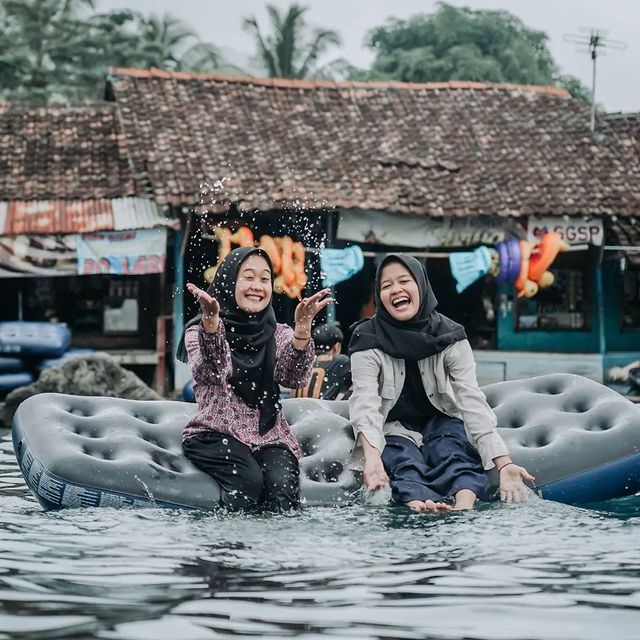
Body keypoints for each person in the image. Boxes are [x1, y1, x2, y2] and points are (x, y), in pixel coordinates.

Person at [348, 253, 534, 513]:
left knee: (455, 453)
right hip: (391, 425)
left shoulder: (450, 335)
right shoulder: (366, 338)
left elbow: (471, 400)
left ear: (422, 286)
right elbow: (365, 403)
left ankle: (464, 507)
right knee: (402, 459)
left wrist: (503, 463)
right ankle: (418, 505)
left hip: (442, 418)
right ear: (379, 296)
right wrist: (371, 458)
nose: (396, 290)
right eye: (386, 285)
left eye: (404, 281)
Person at [176, 246, 333, 511]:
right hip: (215, 435)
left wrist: (303, 332)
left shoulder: (278, 332)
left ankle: (273, 552)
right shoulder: (199, 331)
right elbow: (213, 374)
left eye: (264, 279)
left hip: (269, 436)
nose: (257, 286)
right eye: (248, 277)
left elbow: (293, 378)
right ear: (229, 281)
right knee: (248, 482)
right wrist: (212, 326)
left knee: (282, 489)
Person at [291, 323, 352, 400]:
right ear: (336, 346)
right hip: (321, 410)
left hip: (294, 410)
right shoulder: (342, 362)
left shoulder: (301, 362)